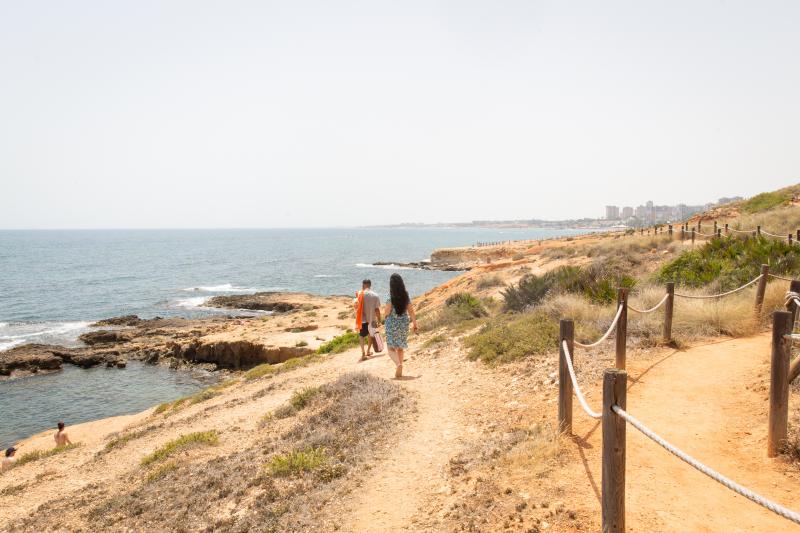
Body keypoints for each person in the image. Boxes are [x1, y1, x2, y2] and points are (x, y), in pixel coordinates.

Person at [382, 273, 418, 378]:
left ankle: (398, 364)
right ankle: (400, 366)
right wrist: (415, 324)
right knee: (400, 347)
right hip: (403, 323)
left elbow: (387, 311)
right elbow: (411, 311)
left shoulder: (390, 296)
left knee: (390, 347)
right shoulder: (405, 295)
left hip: (392, 323)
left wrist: (384, 317)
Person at [354, 279, 381, 361]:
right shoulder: (375, 295)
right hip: (372, 319)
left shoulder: (359, 294)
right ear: (370, 285)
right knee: (371, 335)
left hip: (362, 320)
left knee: (361, 336)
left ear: (363, 285)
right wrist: (379, 319)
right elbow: (377, 310)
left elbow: (356, 306)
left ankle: (363, 353)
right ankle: (368, 351)